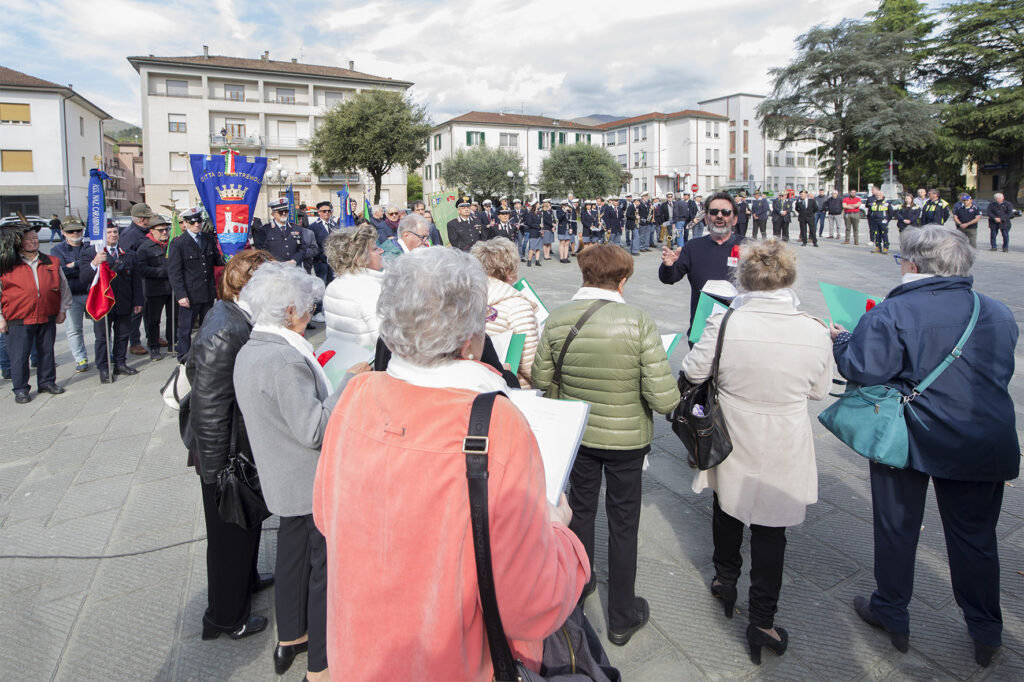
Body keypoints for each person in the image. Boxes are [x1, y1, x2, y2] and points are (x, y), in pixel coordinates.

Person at [312, 247, 588, 679]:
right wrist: (562, 534)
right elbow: (531, 604)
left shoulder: (357, 394)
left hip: (359, 653)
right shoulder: (498, 422)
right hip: (450, 660)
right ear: (469, 341)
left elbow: (328, 518)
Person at [830, 226, 1018, 668]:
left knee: (897, 527)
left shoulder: (893, 311)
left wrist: (840, 339)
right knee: (975, 538)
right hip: (982, 438)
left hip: (909, 435)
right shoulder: (997, 311)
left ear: (914, 263)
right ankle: (986, 629)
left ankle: (891, 611)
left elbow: (861, 368)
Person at [682, 238, 833, 665]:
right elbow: (820, 390)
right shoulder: (814, 328)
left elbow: (692, 371)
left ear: (743, 279)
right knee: (772, 528)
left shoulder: (726, 322)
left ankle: (724, 581)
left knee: (726, 506)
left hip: (733, 428)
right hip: (785, 432)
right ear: (789, 278)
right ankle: (762, 620)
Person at [532, 244, 679, 646]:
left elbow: (541, 378)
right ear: (623, 279)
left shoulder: (559, 318)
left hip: (578, 432)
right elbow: (664, 399)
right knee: (623, 522)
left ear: (583, 274)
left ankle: (579, 587)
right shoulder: (638, 321)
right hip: (626, 440)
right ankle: (621, 615)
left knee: (580, 511)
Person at [234, 263, 350, 682]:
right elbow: (314, 429)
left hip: (283, 475)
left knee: (292, 560)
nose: (311, 314)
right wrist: (345, 390)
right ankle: (320, 663)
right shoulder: (284, 358)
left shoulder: (255, 346)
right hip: (306, 479)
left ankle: (292, 637)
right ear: (288, 311)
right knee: (322, 572)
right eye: (307, 308)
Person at [186, 249, 275, 643]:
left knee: (247, 522)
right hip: (224, 453)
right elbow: (208, 405)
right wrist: (217, 467)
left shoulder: (239, 316)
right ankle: (225, 617)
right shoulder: (226, 327)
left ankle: (247, 581)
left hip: (239, 446)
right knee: (228, 537)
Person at [0, 223, 71, 403]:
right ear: (18, 243)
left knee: (46, 352)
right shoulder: (7, 264)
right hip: (18, 318)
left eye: (35, 238)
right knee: (19, 356)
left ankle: (47, 382)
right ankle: (21, 389)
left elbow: (63, 287)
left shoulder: (51, 261)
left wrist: (63, 309)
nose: (33, 242)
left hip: (47, 314)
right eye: (28, 239)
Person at [660, 192, 745, 339]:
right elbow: (669, 278)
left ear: (735, 219)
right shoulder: (693, 247)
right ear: (706, 218)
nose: (719, 216)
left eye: (725, 212)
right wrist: (668, 265)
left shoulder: (750, 247)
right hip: (702, 329)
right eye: (713, 212)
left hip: (740, 330)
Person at [78, 222, 144, 383]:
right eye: (108, 232)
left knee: (122, 335)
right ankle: (104, 367)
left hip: (123, 301)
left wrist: (138, 301)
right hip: (102, 304)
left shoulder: (128, 254)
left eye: (115, 232)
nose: (113, 235)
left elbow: (136, 281)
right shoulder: (90, 253)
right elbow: (84, 279)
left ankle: (120, 363)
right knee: (102, 338)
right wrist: (95, 263)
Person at [470, 238, 539, 388]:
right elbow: (529, 364)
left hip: (479, 382)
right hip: (511, 385)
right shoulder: (517, 305)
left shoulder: (468, 297)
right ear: (508, 271)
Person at [167, 207, 223, 362]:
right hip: (190, 294)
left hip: (206, 291)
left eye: (199, 221)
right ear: (185, 223)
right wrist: (181, 295)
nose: (197, 225)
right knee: (186, 329)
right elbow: (175, 272)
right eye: (192, 222)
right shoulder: (178, 243)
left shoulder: (207, 239)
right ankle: (184, 356)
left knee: (208, 326)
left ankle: (207, 353)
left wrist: (227, 258)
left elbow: (216, 259)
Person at [322, 225, 384, 348]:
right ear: (360, 258)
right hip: (367, 362)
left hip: (343, 358)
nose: (381, 251)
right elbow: (383, 340)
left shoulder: (333, 285)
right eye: (375, 249)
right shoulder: (370, 290)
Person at [49, 217, 90, 373]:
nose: (75, 233)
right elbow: (62, 272)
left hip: (90, 293)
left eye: (78, 230)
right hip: (71, 295)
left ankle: (106, 353)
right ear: (63, 232)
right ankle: (80, 359)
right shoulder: (57, 250)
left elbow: (95, 266)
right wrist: (85, 266)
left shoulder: (89, 245)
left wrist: (76, 264)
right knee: (74, 329)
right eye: (70, 231)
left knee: (100, 327)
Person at [136, 215, 175, 361]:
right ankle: (154, 346)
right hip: (154, 289)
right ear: (151, 231)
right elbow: (142, 269)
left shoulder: (172, 244)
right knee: (154, 320)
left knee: (173, 317)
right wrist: (162, 272)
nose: (165, 232)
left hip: (172, 288)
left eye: (167, 229)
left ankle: (172, 342)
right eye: (161, 230)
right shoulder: (145, 248)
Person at [120, 203, 156, 356]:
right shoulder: (131, 234)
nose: (149, 220)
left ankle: (151, 337)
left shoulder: (144, 232)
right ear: (142, 219)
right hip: (137, 278)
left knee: (149, 310)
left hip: (147, 277)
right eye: (148, 218)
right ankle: (134, 342)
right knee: (137, 312)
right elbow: (125, 257)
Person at [256, 198, 319, 273]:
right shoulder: (265, 230)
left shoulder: (296, 228)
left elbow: (302, 248)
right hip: (274, 270)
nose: (283, 214)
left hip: (294, 269)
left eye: (286, 211)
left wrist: (294, 260)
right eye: (280, 212)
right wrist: (273, 261)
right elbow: (261, 250)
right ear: (273, 214)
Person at [308, 201, 338, 322]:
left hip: (333, 261)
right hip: (321, 260)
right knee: (320, 286)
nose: (327, 213)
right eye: (324, 211)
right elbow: (313, 244)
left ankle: (329, 309)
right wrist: (319, 256)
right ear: (319, 212)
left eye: (329, 211)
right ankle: (316, 311)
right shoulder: (314, 227)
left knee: (331, 286)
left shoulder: (334, 225)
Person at [524, 201, 544, 267]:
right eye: (538, 204)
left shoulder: (539, 213)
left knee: (538, 248)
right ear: (535, 205)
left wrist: (541, 228)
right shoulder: (530, 214)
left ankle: (537, 261)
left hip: (538, 232)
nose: (539, 205)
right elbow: (529, 224)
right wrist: (538, 225)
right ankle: (529, 261)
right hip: (533, 232)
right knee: (532, 248)